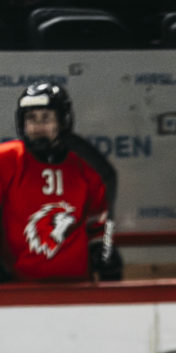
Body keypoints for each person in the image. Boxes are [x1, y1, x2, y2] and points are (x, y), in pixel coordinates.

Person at [0, 81, 122, 284]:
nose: (38, 126)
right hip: (18, 289)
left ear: (62, 121)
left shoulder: (86, 165)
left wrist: (104, 251)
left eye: (46, 117)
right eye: (31, 118)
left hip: (76, 287)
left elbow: (99, 222)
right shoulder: (6, 160)